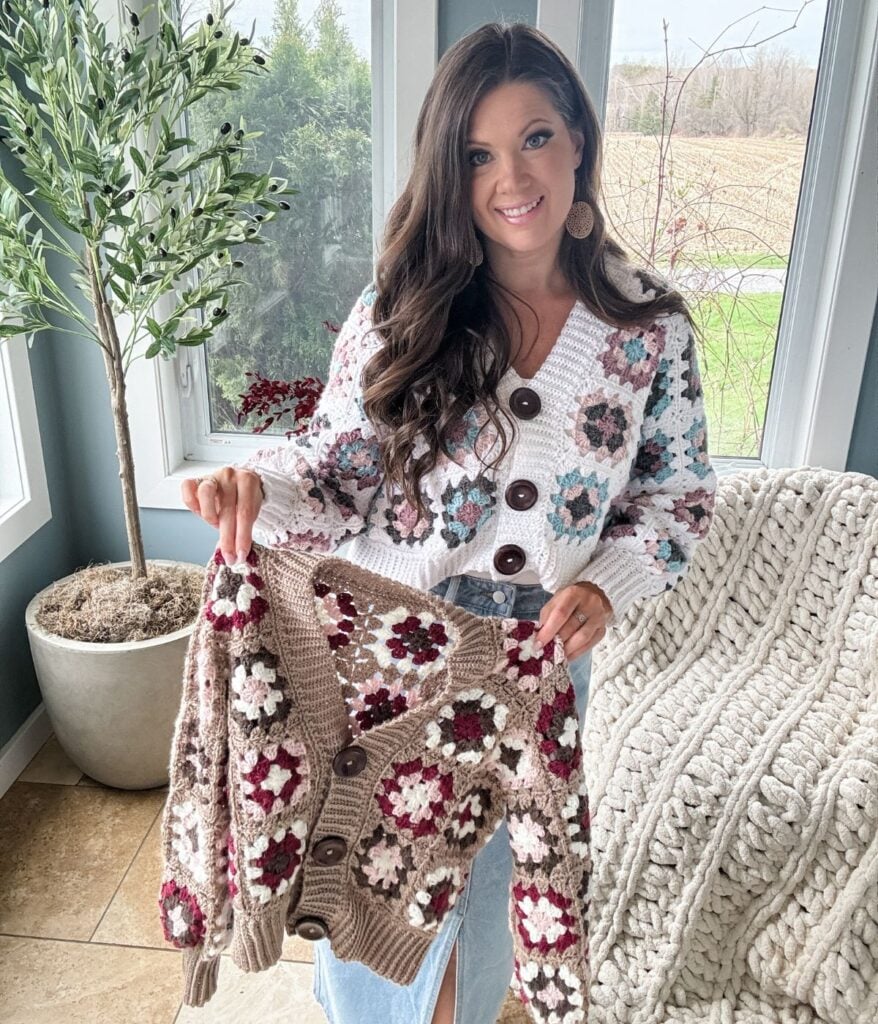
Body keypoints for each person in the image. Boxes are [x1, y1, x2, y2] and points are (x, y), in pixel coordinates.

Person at [181, 20, 717, 1024]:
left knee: (486, 905)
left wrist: (607, 580)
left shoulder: (648, 331)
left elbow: (675, 498)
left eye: (535, 137)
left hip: (529, 661)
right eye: (476, 153)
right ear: (447, 167)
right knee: (374, 902)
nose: (510, 174)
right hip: (394, 655)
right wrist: (255, 485)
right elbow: (332, 472)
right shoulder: (402, 307)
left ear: (577, 143)